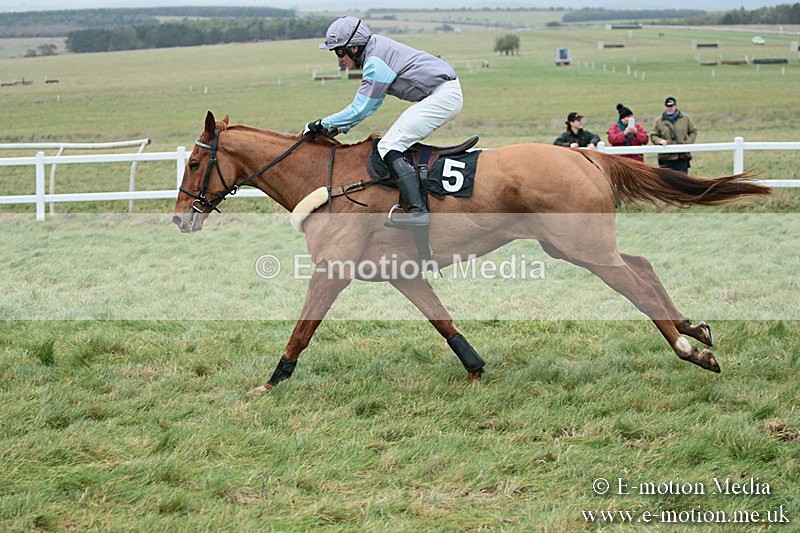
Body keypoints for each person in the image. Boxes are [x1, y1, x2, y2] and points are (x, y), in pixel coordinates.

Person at [304, 16, 463, 228]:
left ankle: (418, 213)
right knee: (392, 142)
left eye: (340, 52)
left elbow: (362, 107)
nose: (339, 58)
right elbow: (373, 103)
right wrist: (335, 128)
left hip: (443, 96)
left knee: (389, 145)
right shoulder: (375, 49)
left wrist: (323, 124)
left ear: (353, 47)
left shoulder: (375, 61)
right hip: (439, 93)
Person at [650, 96, 697, 173]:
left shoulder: (685, 118)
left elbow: (693, 131)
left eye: (671, 106)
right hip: (666, 158)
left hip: (681, 156)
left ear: (675, 106)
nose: (669, 108)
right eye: (667, 106)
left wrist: (687, 144)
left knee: (682, 181)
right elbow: (653, 135)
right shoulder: (659, 121)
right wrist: (660, 141)